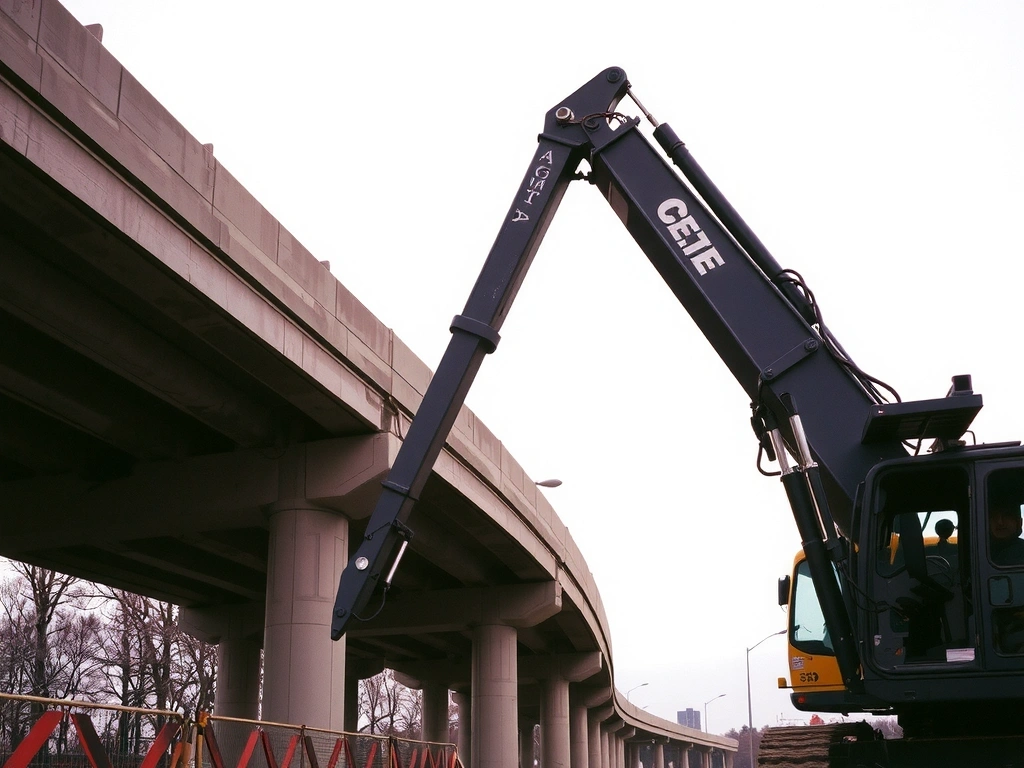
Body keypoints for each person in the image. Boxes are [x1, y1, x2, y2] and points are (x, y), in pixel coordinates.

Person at [988, 501, 1024, 566]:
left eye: (1006, 516)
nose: (999, 522)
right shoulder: (982, 550)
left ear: (1019, 522)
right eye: (994, 516)